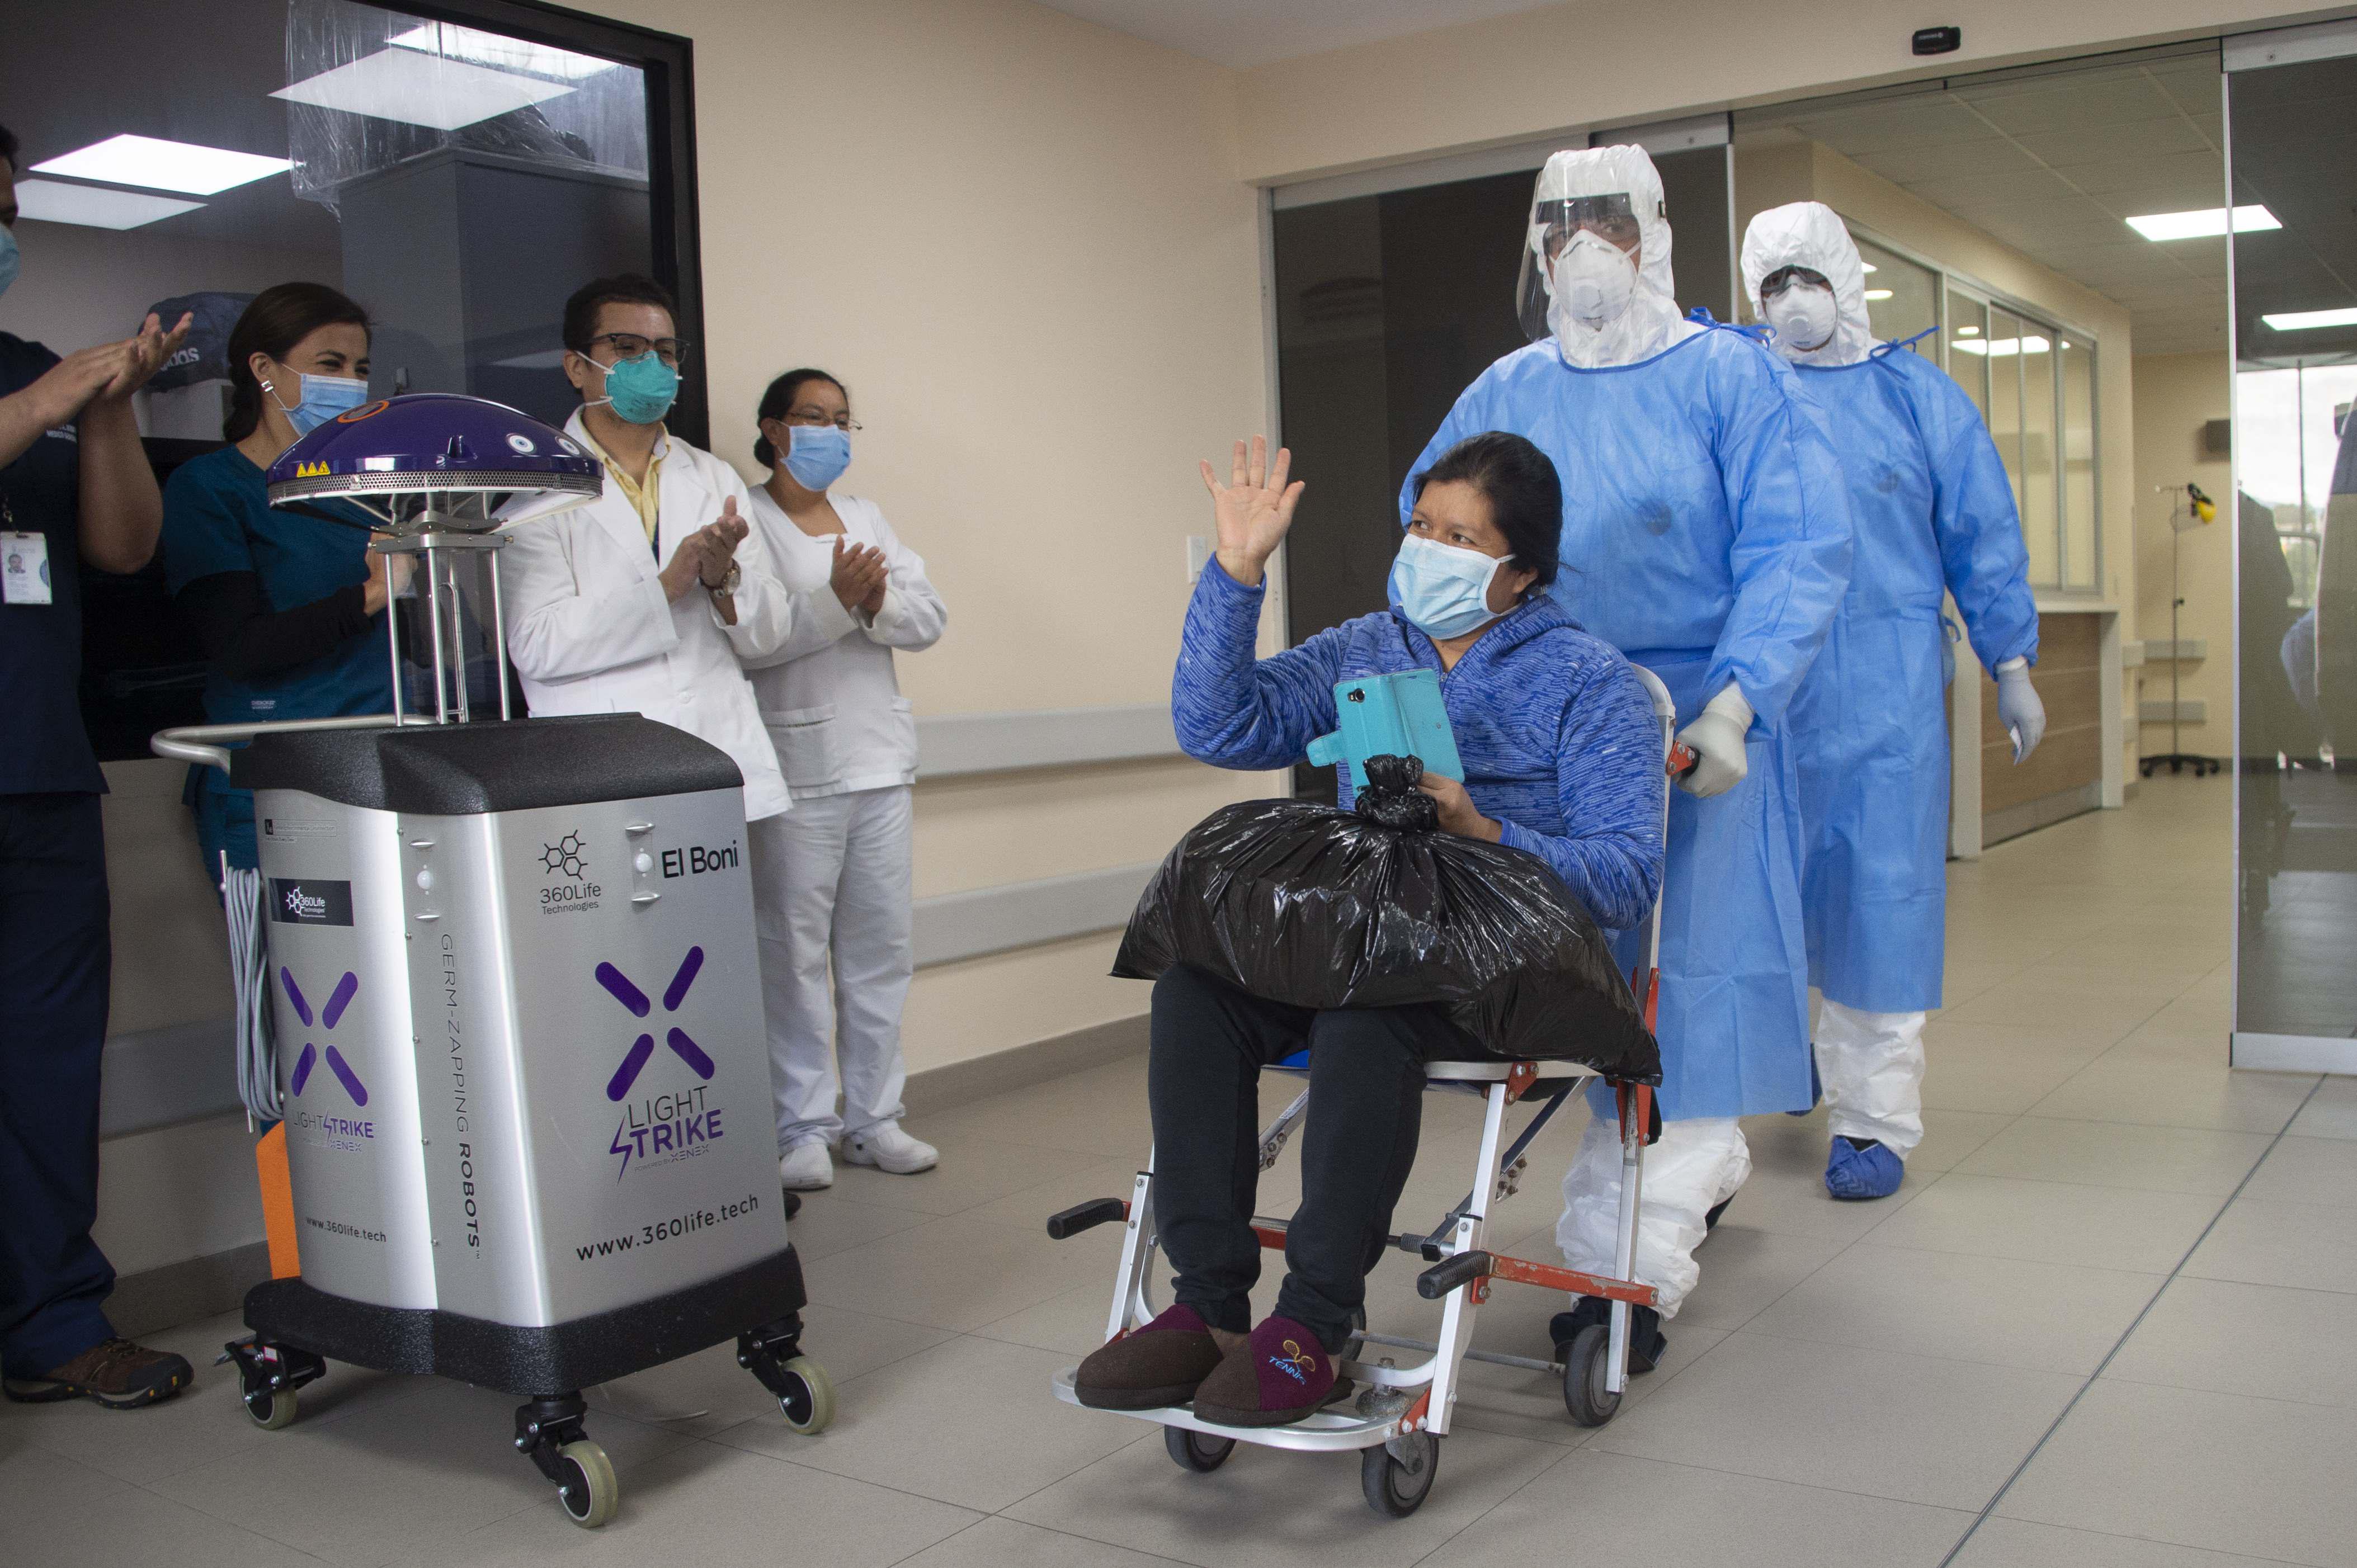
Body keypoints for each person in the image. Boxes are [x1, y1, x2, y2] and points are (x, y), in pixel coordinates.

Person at [1073, 433, 1663, 1427]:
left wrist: (1484, 826)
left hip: (1507, 963)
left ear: (1521, 569)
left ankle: (1313, 1323)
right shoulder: (1364, 645)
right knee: (1194, 990)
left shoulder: (1588, 682)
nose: (1428, 550)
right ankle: (1207, 1306)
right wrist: (1235, 574)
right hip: (1364, 937)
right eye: (1421, 526)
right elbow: (1216, 726)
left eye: (1460, 538)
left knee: (1362, 1016)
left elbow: (1625, 873)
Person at [1402, 146, 1853, 1368]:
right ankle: (1671, 1179)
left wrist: (1732, 707)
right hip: (1539, 744)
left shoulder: (1731, 380)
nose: (1582, 245)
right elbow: (1438, 541)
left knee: (1679, 1008)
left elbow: (1798, 546)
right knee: (1571, 1000)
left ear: (1654, 231)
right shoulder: (1507, 385)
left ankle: (1625, 1272)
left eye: (1606, 220)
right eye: (1558, 223)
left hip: (1686, 741)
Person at [1741, 203, 2043, 1202]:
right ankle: (1786, 1062)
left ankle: (1869, 1120)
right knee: (1759, 889)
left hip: (1884, 694)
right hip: (1761, 692)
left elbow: (1979, 530)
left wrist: (2009, 660)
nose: (1788, 299)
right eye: (1769, 282)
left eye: (1804, 275)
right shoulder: (1736, 389)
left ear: (1845, 277)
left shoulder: (1917, 398)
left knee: (1876, 895)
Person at [0, 121, 199, 1409]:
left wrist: (113, 408)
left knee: (43, 1062)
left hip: (37, 772)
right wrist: (46, 404)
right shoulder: (35, 388)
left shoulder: (39, 370)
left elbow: (123, 549)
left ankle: (53, 1319)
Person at [739, 370, 947, 1191]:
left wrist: (865, 605)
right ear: (773, 427)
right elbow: (754, 639)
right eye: (811, 418)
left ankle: (873, 1120)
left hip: (878, 761)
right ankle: (800, 1126)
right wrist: (839, 601)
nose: (829, 433)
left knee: (879, 950)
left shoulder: (866, 518)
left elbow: (927, 618)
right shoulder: (746, 518)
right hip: (796, 768)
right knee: (790, 955)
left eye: (841, 420)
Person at [499, 274, 803, 832]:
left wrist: (723, 580)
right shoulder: (535, 491)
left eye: (664, 351)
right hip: (602, 771)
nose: (652, 366)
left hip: (717, 758)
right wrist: (666, 587)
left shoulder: (713, 476)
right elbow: (537, 646)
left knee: (722, 921)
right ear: (576, 366)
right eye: (627, 348)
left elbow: (770, 635)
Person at [161, 284, 395, 879]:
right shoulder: (213, 488)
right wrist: (370, 595)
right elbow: (241, 647)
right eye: (330, 365)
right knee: (295, 973)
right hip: (274, 777)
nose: (348, 382)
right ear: (263, 369)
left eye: (360, 368)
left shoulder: (368, 495)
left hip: (383, 762)